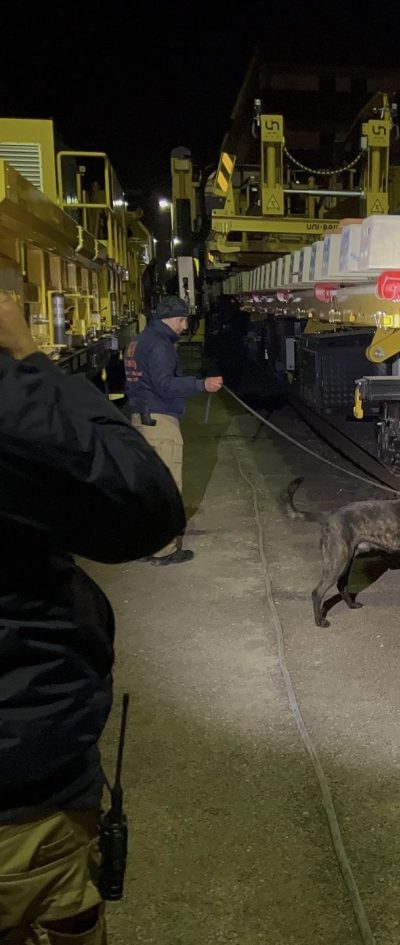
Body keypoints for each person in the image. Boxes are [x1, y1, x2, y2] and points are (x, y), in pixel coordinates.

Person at [0, 291, 186, 943]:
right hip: (26, 783)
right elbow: (145, 506)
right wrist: (31, 360)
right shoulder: (13, 402)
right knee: (65, 911)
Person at [124, 295, 223, 565]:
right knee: (166, 489)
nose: (184, 327)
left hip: (141, 420)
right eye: (182, 320)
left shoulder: (138, 341)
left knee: (148, 488)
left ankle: (146, 545)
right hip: (160, 423)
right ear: (171, 319)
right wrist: (201, 384)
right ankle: (164, 551)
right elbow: (165, 385)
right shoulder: (160, 344)